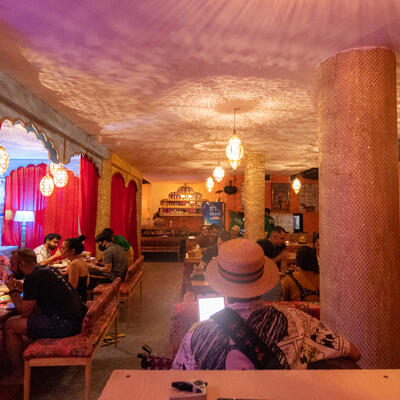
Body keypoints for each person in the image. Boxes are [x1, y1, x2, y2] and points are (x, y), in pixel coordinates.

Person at [172, 239, 360, 370]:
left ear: (221, 286)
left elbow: (180, 385)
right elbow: (353, 352)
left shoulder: (197, 335)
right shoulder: (297, 321)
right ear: (263, 280)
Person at [2, 248, 87, 384]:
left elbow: (24, 312)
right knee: (22, 318)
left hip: (66, 324)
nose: (11, 268)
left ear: (22, 264)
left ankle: (18, 374)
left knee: (10, 325)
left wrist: (12, 290)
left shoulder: (33, 278)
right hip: (76, 319)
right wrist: (22, 289)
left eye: (12, 264)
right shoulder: (47, 270)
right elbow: (39, 297)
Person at [61, 235, 89, 302]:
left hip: (77, 301)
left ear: (72, 251)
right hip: (82, 297)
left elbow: (72, 288)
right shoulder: (82, 261)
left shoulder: (74, 264)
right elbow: (87, 283)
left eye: (63, 248)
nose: (61, 250)